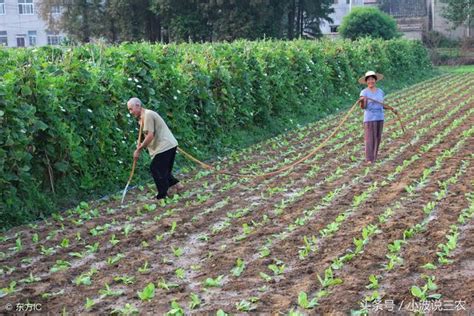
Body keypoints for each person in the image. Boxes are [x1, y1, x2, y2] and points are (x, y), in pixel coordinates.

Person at [127, 97, 182, 200]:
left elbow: (150, 136)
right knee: (163, 170)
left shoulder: (147, 115)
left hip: (165, 146)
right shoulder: (143, 118)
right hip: (167, 145)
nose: (130, 112)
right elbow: (147, 134)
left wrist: (139, 150)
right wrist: (140, 144)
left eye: (131, 109)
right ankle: (177, 186)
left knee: (155, 168)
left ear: (138, 106)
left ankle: (162, 196)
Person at [357, 71, 397, 164]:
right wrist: (362, 101)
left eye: (372, 79)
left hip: (380, 117)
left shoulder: (380, 91)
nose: (371, 81)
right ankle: (369, 159)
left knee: (377, 138)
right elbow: (363, 107)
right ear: (366, 81)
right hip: (369, 118)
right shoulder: (364, 92)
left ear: (375, 80)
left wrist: (392, 109)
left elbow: (382, 104)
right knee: (369, 138)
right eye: (369, 79)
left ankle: (374, 158)